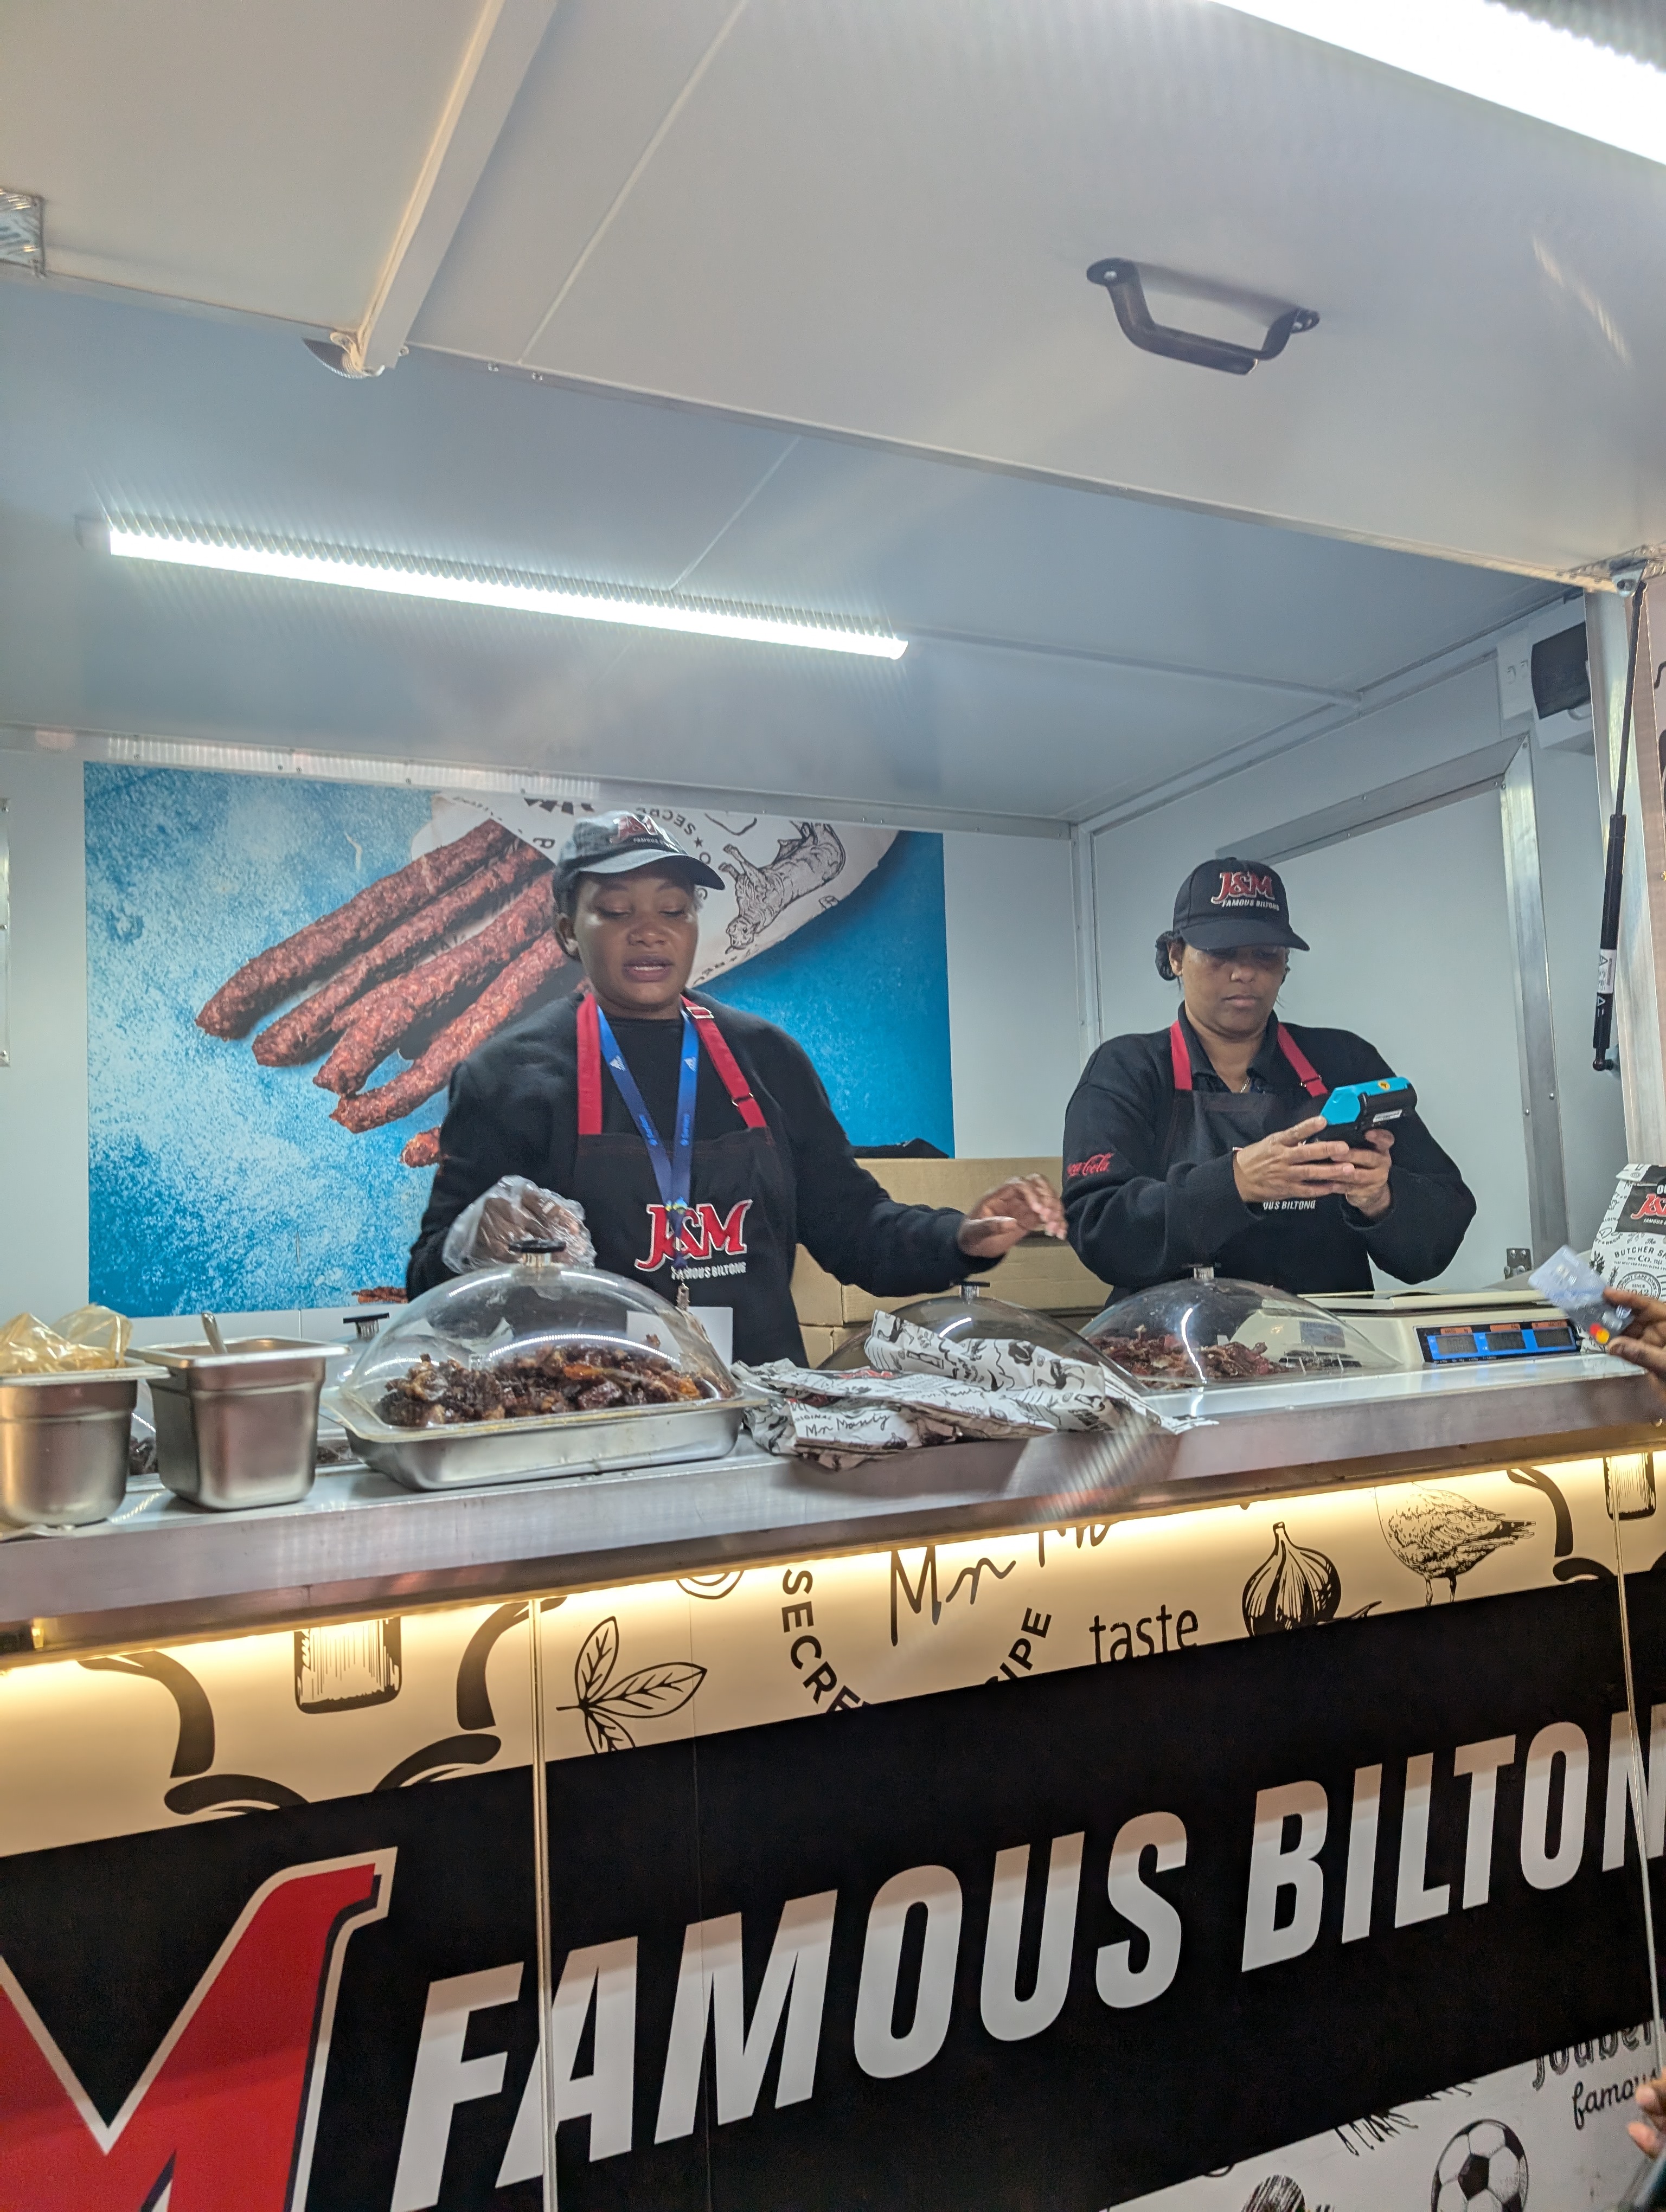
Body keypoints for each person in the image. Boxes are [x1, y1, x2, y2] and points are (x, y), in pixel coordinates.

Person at [408, 811, 1064, 1365]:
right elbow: (430, 1287)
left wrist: (961, 1238)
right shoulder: (504, 1078)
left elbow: (854, 1227)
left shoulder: (767, 1059)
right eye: (615, 911)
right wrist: (473, 1241)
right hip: (591, 1416)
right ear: (566, 933)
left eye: (674, 909)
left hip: (766, 1415)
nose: (650, 930)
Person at [1061, 856, 1475, 1295]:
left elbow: (1442, 1226)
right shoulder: (1126, 1071)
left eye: (1265, 955)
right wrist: (1235, 1183)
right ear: (1176, 957)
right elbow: (1099, 1228)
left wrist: (1380, 1198)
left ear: (1285, 965)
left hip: (1327, 1334)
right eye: (1221, 953)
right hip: (1172, 1334)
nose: (1245, 973)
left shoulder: (1345, 1063)